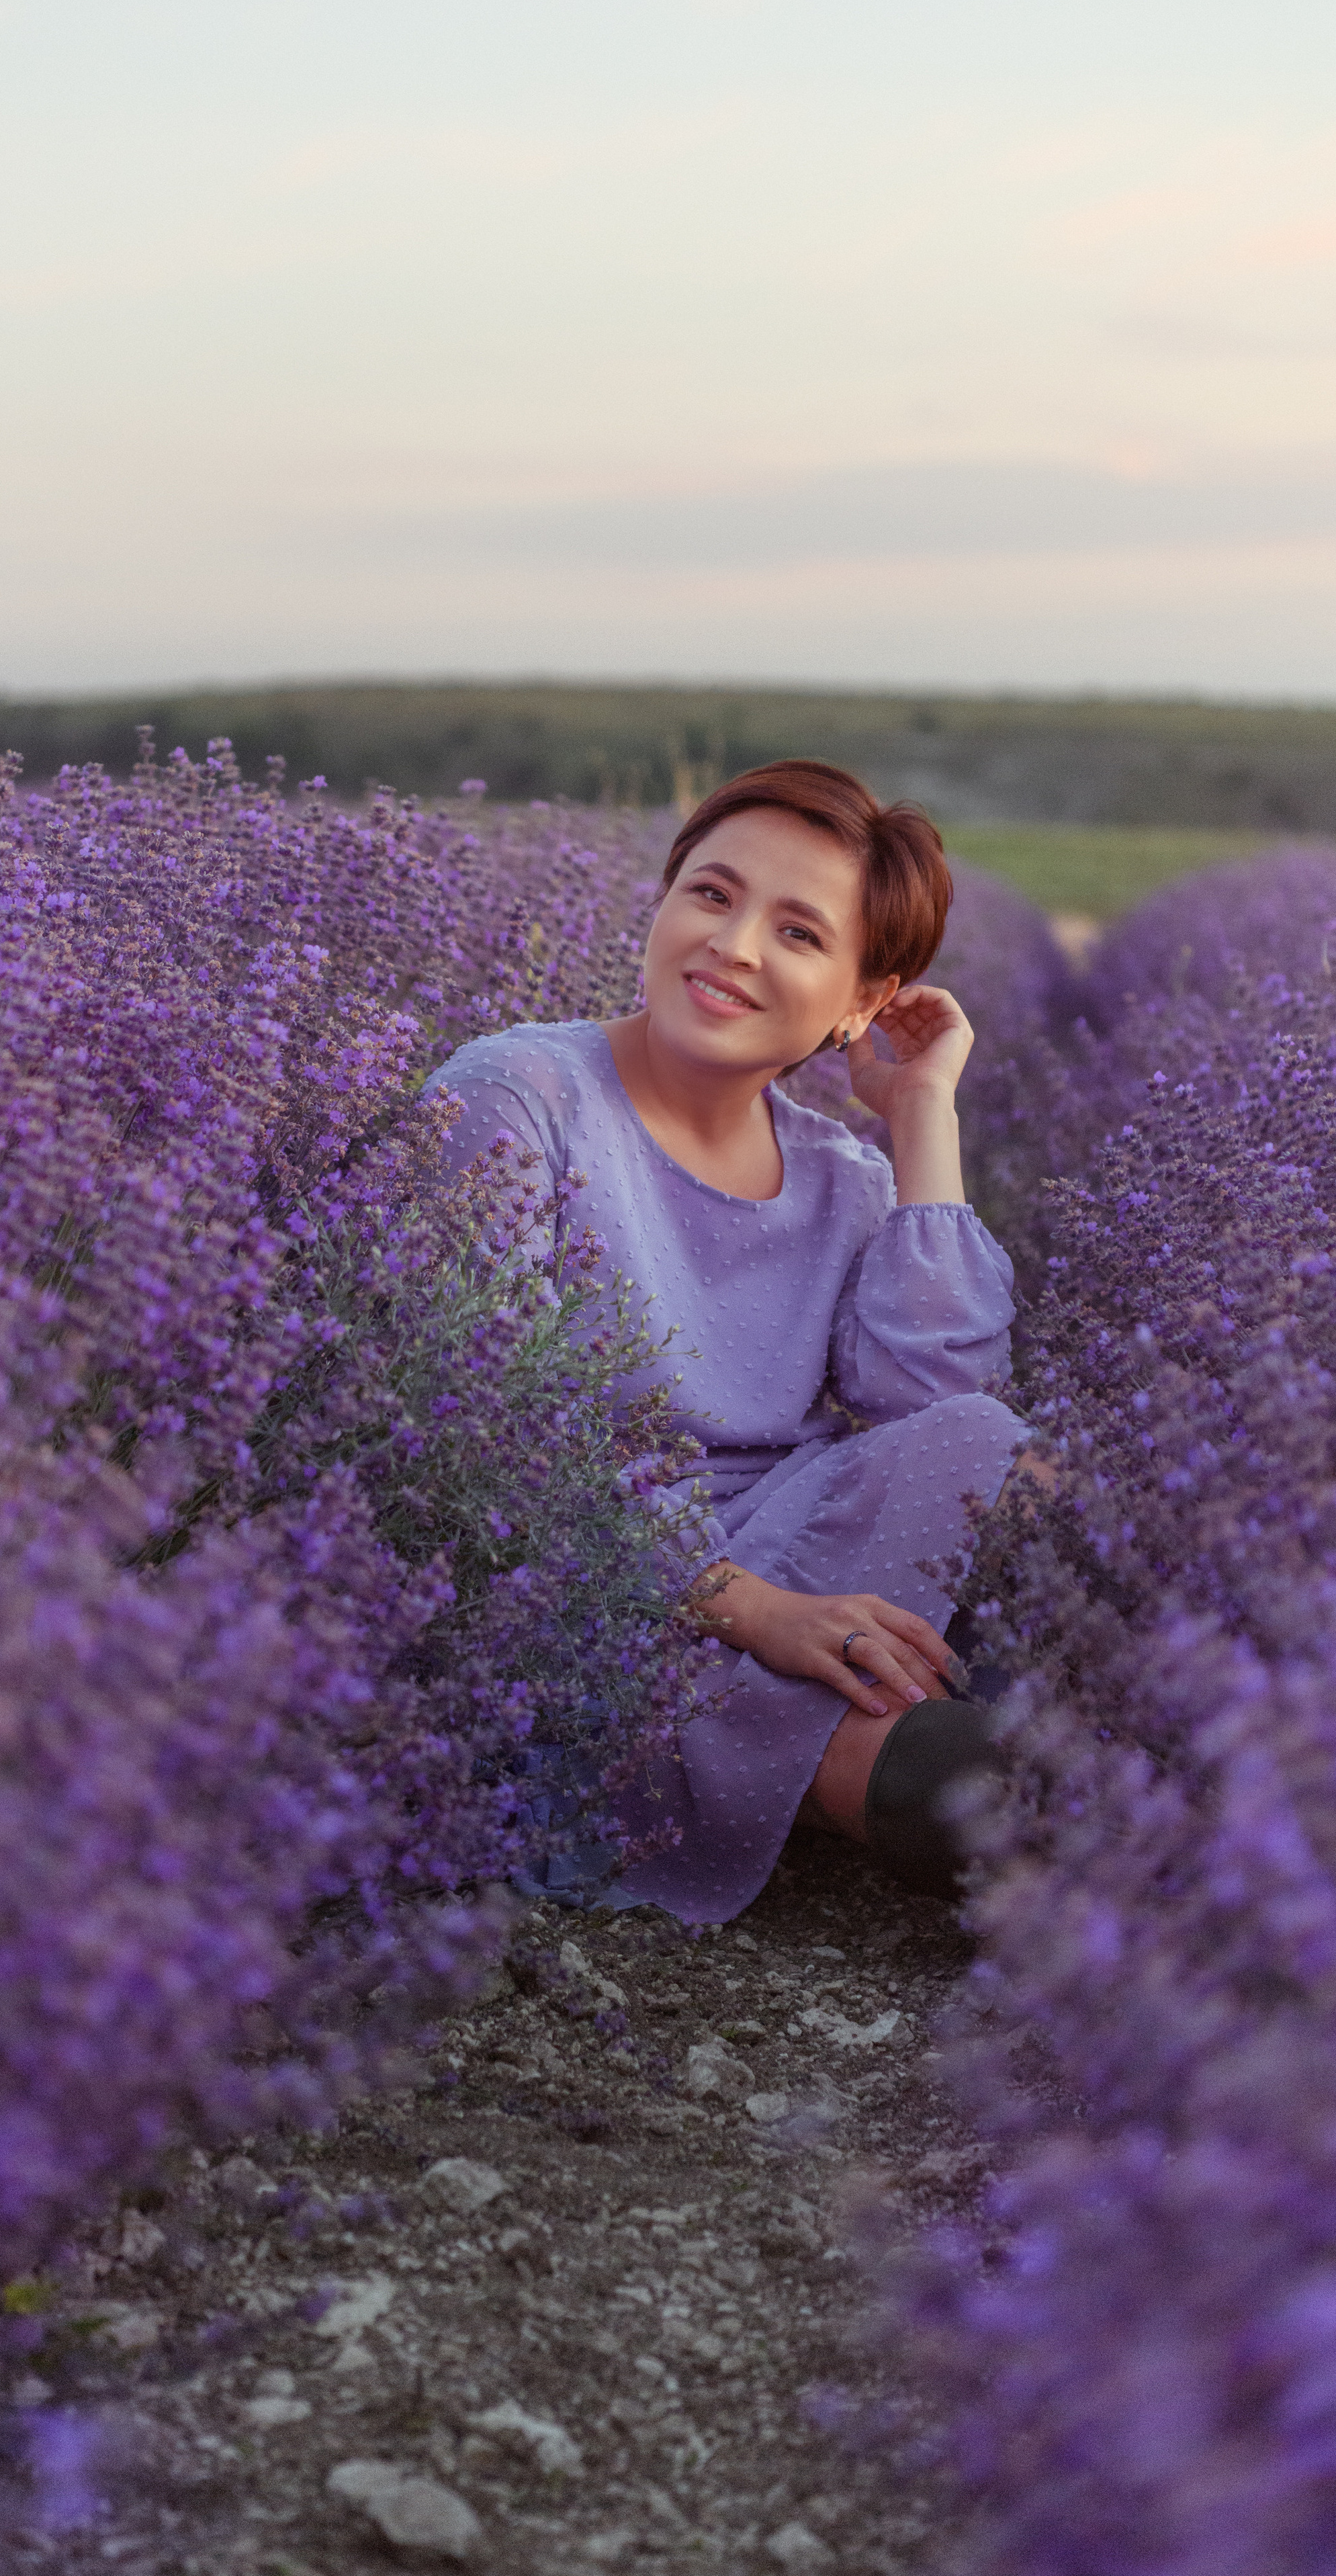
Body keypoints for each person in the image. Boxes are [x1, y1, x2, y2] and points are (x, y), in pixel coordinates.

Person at [431, 758, 1030, 1924]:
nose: (734, 945)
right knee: (970, 1785)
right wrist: (753, 1611)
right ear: (663, 904)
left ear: (864, 998)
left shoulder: (840, 1178)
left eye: (798, 931)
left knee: (1010, 1464)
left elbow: (938, 1398)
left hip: (790, 1542)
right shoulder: (520, 1098)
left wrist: (921, 1120)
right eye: (711, 893)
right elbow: (484, 1428)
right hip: (572, 1589)